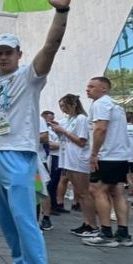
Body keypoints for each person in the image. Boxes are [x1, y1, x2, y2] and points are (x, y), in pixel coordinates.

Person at [0, 0, 71, 264]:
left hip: (19, 156)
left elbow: (50, 47)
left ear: (19, 54)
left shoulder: (29, 76)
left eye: (9, 52)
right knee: (6, 220)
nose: (3, 57)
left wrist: (61, 12)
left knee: (24, 220)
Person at [82, 76, 133, 247]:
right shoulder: (115, 105)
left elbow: (100, 129)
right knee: (118, 191)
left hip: (107, 155)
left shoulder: (100, 103)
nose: (87, 89)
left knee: (97, 189)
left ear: (104, 88)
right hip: (120, 155)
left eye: (91, 86)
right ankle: (123, 234)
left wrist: (94, 154)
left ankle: (106, 233)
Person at [50, 94, 97, 237]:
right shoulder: (69, 120)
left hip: (78, 159)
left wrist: (63, 131)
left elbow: (81, 141)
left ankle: (92, 225)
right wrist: (58, 130)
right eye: (61, 106)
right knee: (80, 193)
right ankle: (86, 222)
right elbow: (65, 139)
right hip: (68, 159)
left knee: (83, 193)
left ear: (73, 105)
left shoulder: (81, 119)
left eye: (64, 106)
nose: (62, 109)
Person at [42, 111, 65, 213]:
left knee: (56, 181)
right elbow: (49, 145)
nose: (52, 120)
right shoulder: (45, 131)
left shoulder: (54, 130)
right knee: (50, 182)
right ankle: (50, 207)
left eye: (53, 118)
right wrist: (63, 144)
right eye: (50, 118)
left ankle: (54, 205)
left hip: (59, 156)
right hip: (52, 157)